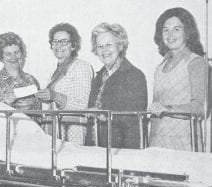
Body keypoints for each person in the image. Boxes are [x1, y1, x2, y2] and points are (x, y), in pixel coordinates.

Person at [148, 7, 208, 151]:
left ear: (187, 32)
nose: (170, 35)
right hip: (158, 142)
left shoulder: (196, 63)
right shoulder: (159, 67)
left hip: (184, 142)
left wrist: (168, 109)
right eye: (165, 30)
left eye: (176, 29)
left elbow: (201, 108)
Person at [87, 23, 147, 149]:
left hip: (121, 150)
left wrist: (102, 115)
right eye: (100, 46)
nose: (104, 50)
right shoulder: (98, 77)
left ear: (120, 46)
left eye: (109, 45)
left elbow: (133, 117)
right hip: (96, 147)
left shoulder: (135, 75)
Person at [35, 23, 94, 145]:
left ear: (73, 46)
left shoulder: (81, 66)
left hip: (72, 133)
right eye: (55, 41)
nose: (58, 45)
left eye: (64, 41)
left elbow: (82, 105)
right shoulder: (55, 72)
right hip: (54, 133)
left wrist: (55, 96)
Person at [0, 32, 41, 111]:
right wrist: (5, 102)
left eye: (16, 52)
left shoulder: (31, 80)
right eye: (8, 54)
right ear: (1, 57)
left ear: (22, 53)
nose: (13, 57)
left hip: (31, 123)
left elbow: (39, 114)